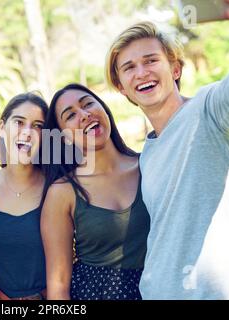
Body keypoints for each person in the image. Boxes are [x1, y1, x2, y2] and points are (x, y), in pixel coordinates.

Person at [105, 1, 229, 299]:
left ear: (175, 68)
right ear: (122, 87)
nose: (141, 72)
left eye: (151, 60)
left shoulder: (210, 111)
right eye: (129, 67)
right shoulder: (148, 153)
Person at [41, 83, 150, 300]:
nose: (84, 114)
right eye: (70, 115)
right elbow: (58, 285)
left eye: (88, 104)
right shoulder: (63, 192)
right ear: (63, 138)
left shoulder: (149, 163)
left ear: (104, 108)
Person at [0, 92, 48, 300]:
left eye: (38, 126)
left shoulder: (55, 187)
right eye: (19, 122)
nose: (27, 132)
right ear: (2, 127)